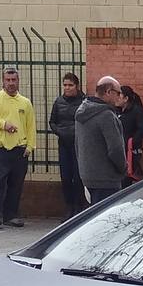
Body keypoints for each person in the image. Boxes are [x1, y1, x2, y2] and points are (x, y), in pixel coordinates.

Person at [0, 67, 35, 230]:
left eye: (14, 80)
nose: (11, 83)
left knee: (16, 184)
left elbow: (31, 126)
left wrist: (30, 146)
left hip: (20, 149)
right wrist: (3, 125)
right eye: (8, 80)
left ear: (18, 81)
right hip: (1, 149)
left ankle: (11, 215)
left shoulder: (25, 102)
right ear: (3, 81)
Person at [75, 76, 129, 205]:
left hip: (87, 177)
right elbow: (115, 149)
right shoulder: (107, 116)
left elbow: (77, 145)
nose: (119, 96)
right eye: (118, 92)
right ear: (108, 92)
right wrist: (123, 169)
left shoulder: (81, 112)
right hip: (107, 179)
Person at [51, 73, 89, 215]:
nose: (67, 88)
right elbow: (52, 121)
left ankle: (79, 207)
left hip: (78, 145)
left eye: (70, 85)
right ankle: (69, 208)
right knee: (66, 177)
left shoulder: (84, 102)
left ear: (77, 86)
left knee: (78, 177)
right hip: (64, 144)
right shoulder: (58, 102)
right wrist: (59, 131)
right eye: (65, 85)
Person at [118, 84, 143, 184]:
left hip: (132, 151)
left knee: (128, 178)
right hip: (119, 150)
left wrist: (131, 142)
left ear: (126, 98)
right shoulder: (116, 111)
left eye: (119, 95)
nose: (117, 98)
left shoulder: (136, 111)